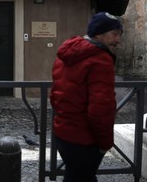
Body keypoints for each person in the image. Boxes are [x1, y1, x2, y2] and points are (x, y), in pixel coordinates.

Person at [50, 12, 123, 182]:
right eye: (115, 34)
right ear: (99, 33)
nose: (118, 40)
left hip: (63, 133)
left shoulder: (66, 54)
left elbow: (55, 95)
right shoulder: (100, 59)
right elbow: (101, 109)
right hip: (84, 139)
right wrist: (105, 144)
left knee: (76, 176)